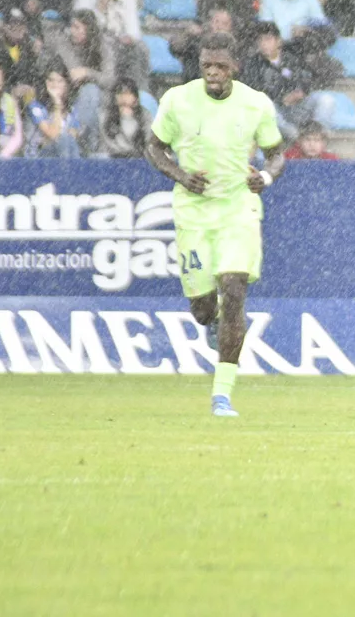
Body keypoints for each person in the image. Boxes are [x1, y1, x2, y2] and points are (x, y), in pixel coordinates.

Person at [145, 31, 286, 418]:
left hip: (238, 208)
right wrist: (179, 174)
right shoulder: (177, 100)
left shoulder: (256, 105)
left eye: (221, 66)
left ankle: (222, 394)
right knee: (204, 308)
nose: (213, 73)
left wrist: (267, 177)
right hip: (193, 212)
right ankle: (215, 322)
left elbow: (277, 155)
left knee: (234, 287)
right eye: (207, 65)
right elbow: (153, 146)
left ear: (235, 67)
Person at [74, 0, 150, 88]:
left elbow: (134, 31)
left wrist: (128, 38)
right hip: (94, 46)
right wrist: (101, 8)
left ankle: (139, 93)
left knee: (140, 49)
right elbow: (84, 29)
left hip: (120, 45)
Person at [240, 21, 317, 134]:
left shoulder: (292, 59)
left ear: (278, 41)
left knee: (325, 100)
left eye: (268, 39)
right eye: (260, 40)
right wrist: (282, 99)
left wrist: (301, 91)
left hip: (296, 106)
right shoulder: (252, 65)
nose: (263, 44)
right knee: (267, 110)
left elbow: (306, 77)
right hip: (274, 109)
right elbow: (256, 92)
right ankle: (296, 138)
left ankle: (316, 135)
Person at [24, 66, 97, 158]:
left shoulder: (71, 108)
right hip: (38, 158)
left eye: (60, 81)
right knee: (64, 140)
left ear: (66, 85)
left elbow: (73, 135)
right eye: (51, 80)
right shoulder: (35, 106)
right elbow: (54, 134)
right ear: (46, 83)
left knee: (100, 156)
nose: (55, 85)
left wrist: (53, 138)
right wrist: (57, 102)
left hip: (65, 153)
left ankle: (72, 169)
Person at [44, 9, 117, 96]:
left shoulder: (104, 46)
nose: (72, 31)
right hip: (68, 91)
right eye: (71, 26)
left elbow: (110, 81)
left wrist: (88, 72)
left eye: (77, 27)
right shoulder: (64, 43)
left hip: (98, 93)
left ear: (89, 29)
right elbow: (75, 75)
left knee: (91, 90)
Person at [0, 6, 44, 100]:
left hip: (25, 103)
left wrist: (33, 88)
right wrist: (11, 91)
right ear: (3, 26)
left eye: (21, 26)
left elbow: (35, 75)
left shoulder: (28, 46)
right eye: (12, 26)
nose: (17, 30)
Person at [101, 76, 147, 158]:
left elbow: (148, 139)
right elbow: (109, 142)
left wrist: (129, 119)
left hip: (140, 159)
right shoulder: (106, 116)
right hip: (114, 160)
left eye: (128, 93)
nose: (124, 97)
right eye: (120, 93)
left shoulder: (145, 115)